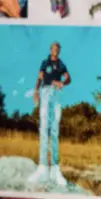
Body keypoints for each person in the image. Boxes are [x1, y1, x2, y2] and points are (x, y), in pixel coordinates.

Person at [33, 41, 71, 186]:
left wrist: (62, 83)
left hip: (56, 94)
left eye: (57, 48)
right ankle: (42, 167)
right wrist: (36, 91)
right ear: (50, 50)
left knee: (54, 129)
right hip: (45, 91)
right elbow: (39, 77)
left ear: (59, 50)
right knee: (44, 127)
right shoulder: (44, 62)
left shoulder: (61, 64)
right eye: (53, 48)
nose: (55, 50)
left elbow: (68, 78)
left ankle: (55, 169)